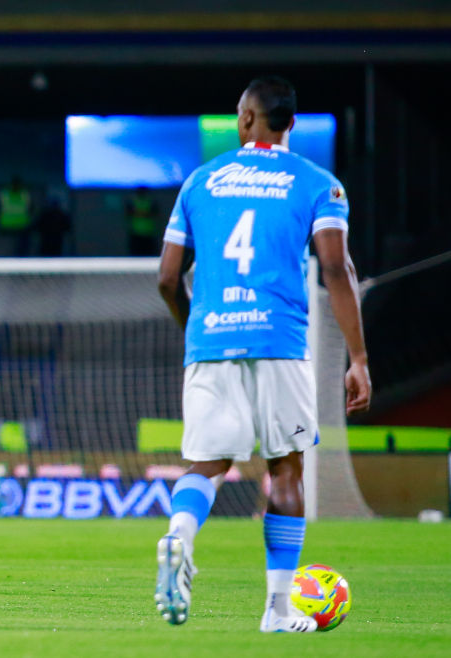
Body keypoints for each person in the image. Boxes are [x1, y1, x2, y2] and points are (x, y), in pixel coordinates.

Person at [154, 76, 371, 633]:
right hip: (280, 340)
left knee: (207, 465)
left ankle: (179, 535)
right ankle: (276, 610)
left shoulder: (200, 183)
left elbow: (167, 279)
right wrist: (358, 357)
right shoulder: (319, 184)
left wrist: (196, 330)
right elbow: (334, 268)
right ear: (291, 125)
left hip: (211, 336)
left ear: (245, 118)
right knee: (285, 467)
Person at [0, 175, 34, 256]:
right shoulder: (24, 194)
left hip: (13, 226)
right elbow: (31, 210)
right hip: (17, 226)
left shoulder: (5, 194)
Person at [126, 186, 160, 255]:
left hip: (149, 234)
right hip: (136, 234)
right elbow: (128, 214)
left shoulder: (151, 202)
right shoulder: (132, 202)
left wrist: (138, 213)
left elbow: (156, 215)